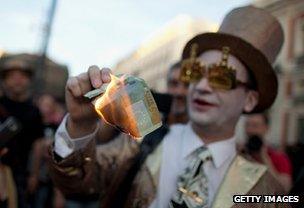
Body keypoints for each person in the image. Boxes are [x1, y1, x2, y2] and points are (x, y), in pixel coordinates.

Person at [49, 6, 290, 208]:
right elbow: (76, 183)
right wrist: (80, 124)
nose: (201, 86)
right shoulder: (142, 144)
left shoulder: (269, 191)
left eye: (221, 78)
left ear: (250, 99)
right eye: (194, 72)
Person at [0, 54, 44, 208]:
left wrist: (34, 174)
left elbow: (38, 144)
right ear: (5, 81)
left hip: (20, 174)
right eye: (12, 76)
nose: (17, 80)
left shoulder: (34, 111)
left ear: (29, 80)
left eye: (22, 76)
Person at [244, 113, 293, 192]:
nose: (250, 130)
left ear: (266, 128)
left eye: (255, 126)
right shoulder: (238, 155)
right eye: (247, 125)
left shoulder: (279, 158)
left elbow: (284, 190)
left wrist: (264, 158)